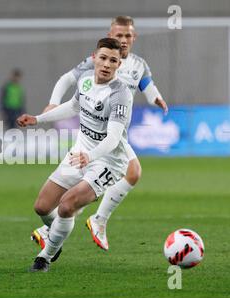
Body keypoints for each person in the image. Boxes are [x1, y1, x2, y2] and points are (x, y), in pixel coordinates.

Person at [31, 16, 168, 253]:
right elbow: (67, 79)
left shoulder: (139, 64)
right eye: (118, 35)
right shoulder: (98, 60)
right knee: (131, 172)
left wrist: (155, 97)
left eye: (127, 36)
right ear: (110, 35)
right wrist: (53, 104)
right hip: (97, 134)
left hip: (115, 132)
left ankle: (74, 225)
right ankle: (92, 221)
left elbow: (147, 85)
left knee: (131, 172)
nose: (123, 40)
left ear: (133, 38)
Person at [17, 38, 133, 272]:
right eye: (103, 58)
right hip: (79, 153)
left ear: (119, 65)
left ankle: (45, 257)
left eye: (113, 60)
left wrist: (90, 157)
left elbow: (112, 139)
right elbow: (73, 106)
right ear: (94, 57)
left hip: (108, 162)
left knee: (67, 205)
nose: (107, 64)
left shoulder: (120, 94)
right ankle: (55, 239)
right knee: (42, 207)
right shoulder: (86, 79)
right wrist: (37, 119)